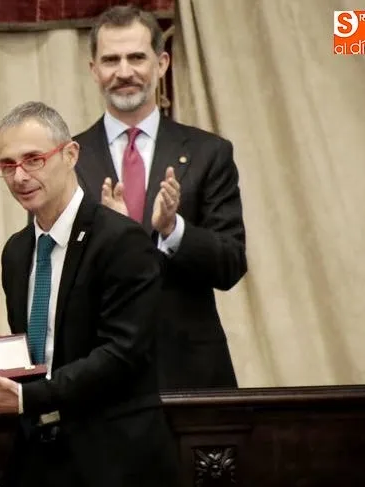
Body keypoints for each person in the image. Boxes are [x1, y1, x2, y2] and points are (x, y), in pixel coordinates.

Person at [0, 101, 176, 487]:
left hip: (109, 469)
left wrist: (27, 395)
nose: (20, 176)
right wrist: (13, 359)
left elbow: (122, 354)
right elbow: (52, 347)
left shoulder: (121, 240)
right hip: (37, 465)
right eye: (7, 165)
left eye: (34, 159)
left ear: (70, 154)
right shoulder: (17, 251)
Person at [74, 4, 246, 389]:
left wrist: (174, 230)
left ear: (162, 62)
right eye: (110, 60)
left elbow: (231, 264)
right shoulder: (68, 159)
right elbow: (53, 272)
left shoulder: (208, 153)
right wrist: (109, 237)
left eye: (137, 57)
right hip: (98, 377)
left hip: (190, 372)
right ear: (93, 70)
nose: (123, 72)